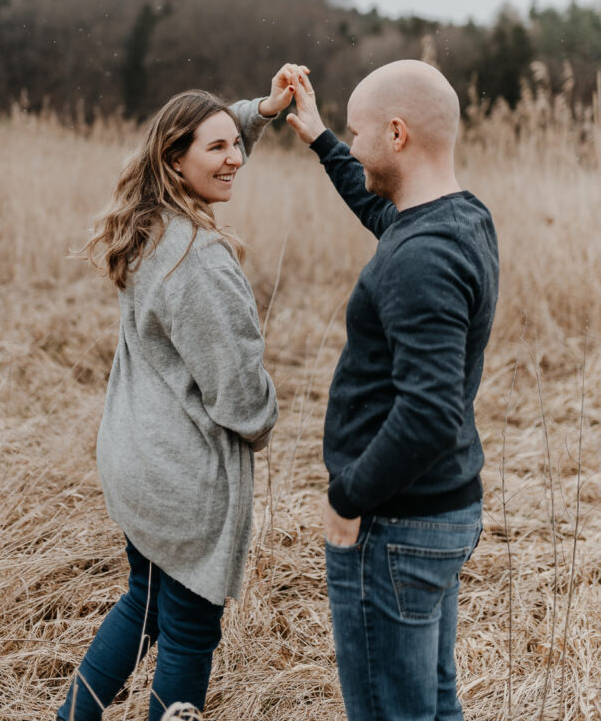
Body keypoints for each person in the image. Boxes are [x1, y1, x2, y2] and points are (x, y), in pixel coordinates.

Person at [57, 65, 303, 721]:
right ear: (174, 160)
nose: (234, 158)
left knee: (143, 604)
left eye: (236, 144)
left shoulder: (150, 222)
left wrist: (262, 110)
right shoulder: (198, 260)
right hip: (182, 480)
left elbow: (210, 136)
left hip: (140, 459)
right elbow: (240, 399)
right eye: (217, 148)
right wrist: (266, 418)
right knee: (190, 632)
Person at [286, 60, 499, 721]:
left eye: (357, 133)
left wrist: (347, 498)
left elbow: (429, 413)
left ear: (398, 134)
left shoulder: (421, 257)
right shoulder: (459, 218)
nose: (352, 146)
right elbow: (383, 208)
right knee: (432, 703)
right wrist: (320, 138)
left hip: (396, 522)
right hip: (437, 511)